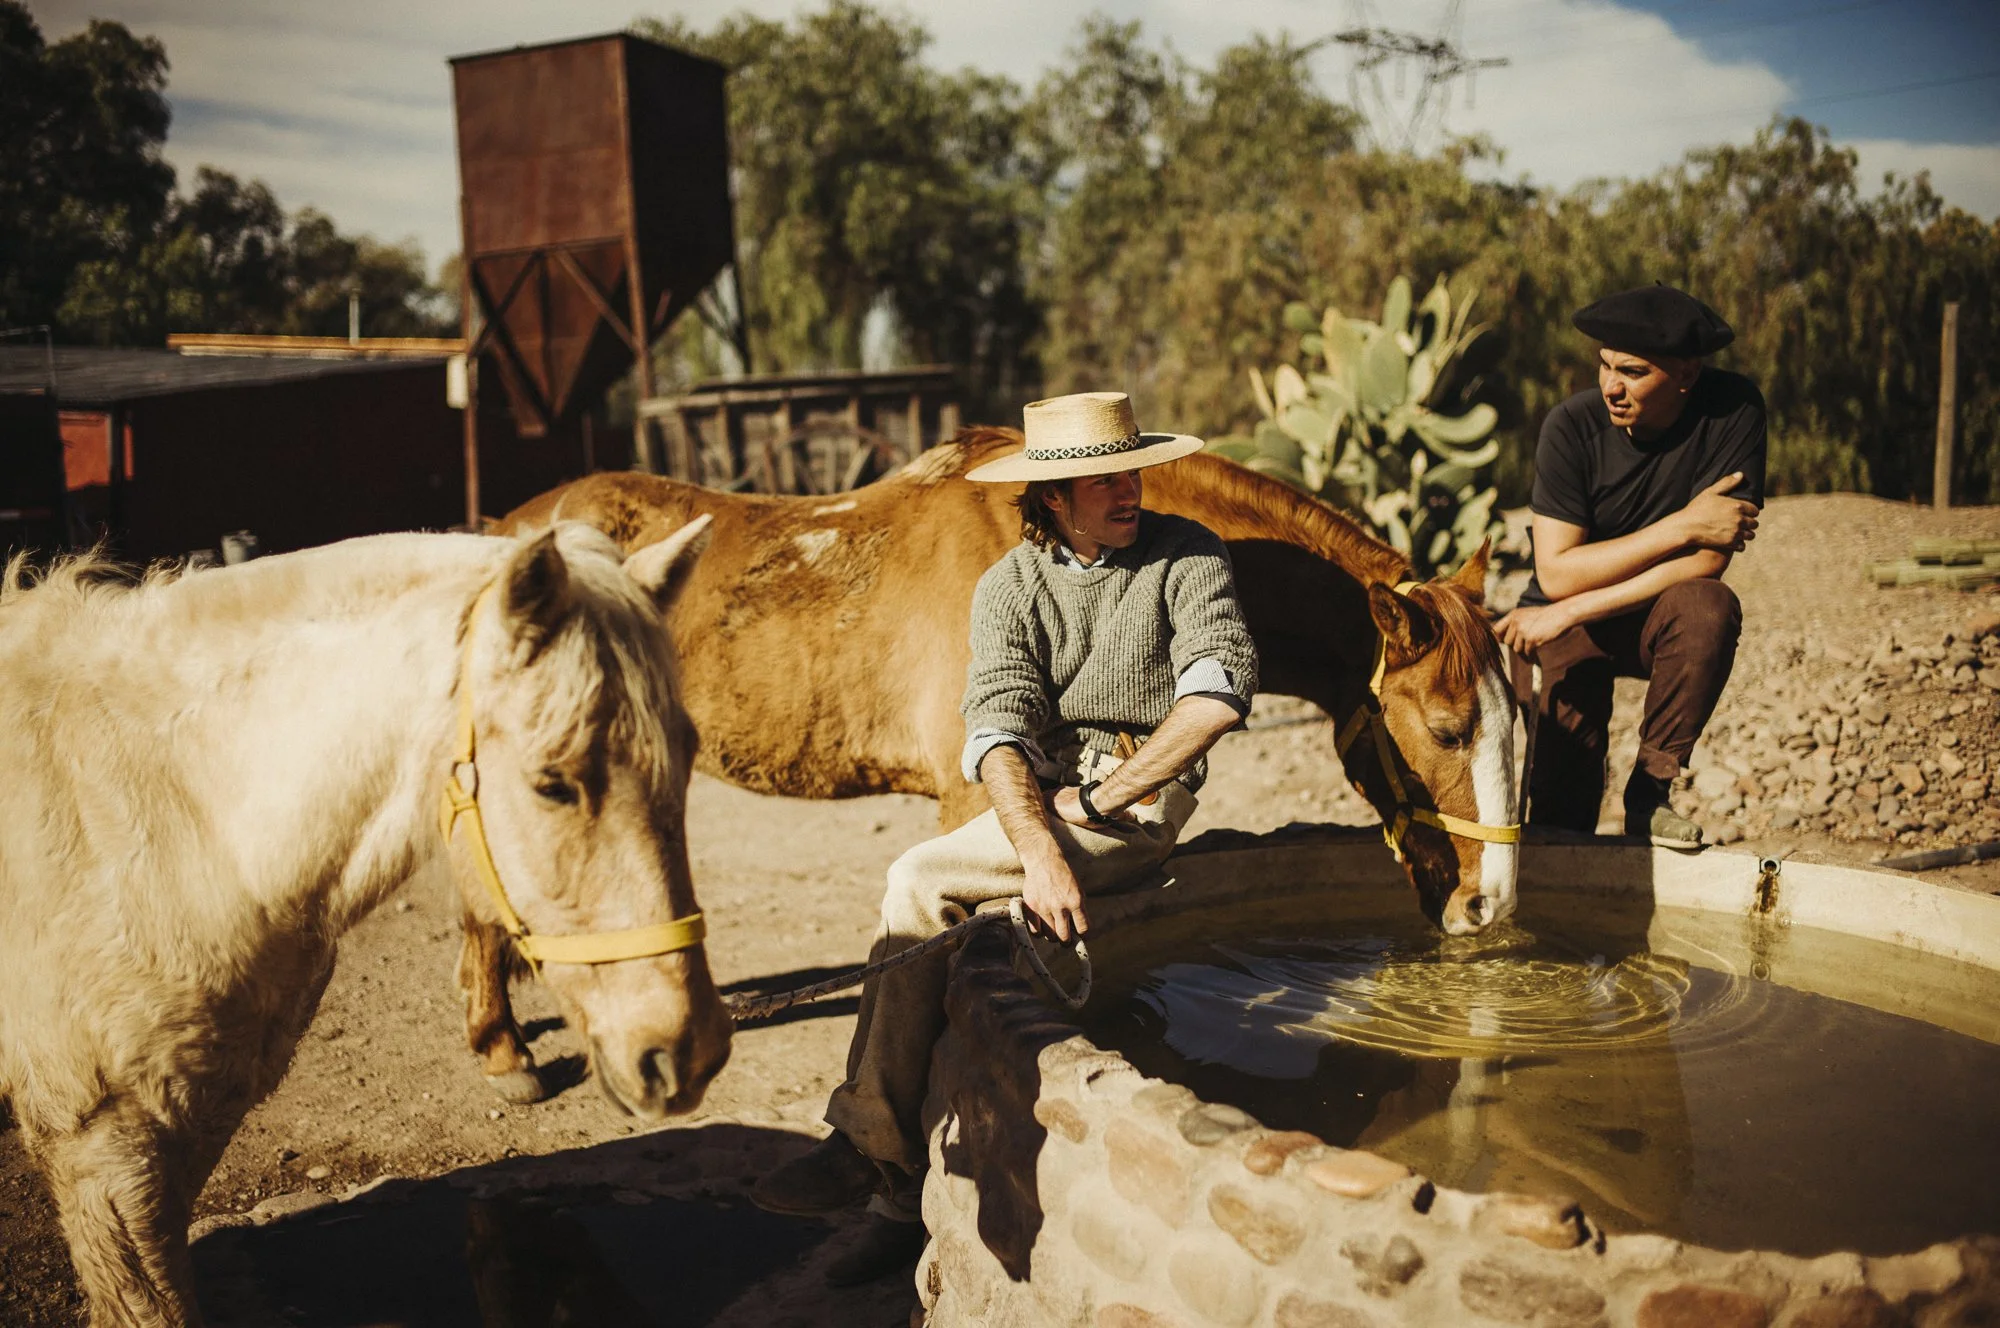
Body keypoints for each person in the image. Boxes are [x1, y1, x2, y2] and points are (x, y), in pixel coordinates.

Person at [750, 391, 1259, 1283]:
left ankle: (870, 1146)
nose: (1126, 489)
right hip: (1049, 803)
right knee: (954, 918)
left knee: (917, 881)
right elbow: (992, 731)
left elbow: (1215, 695)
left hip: (1137, 806)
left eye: (1129, 468)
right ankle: (899, 1183)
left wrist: (1104, 803)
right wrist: (1038, 848)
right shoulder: (1008, 587)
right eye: (1101, 479)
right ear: (1052, 498)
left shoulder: (1189, 557)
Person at [1495, 284, 1765, 848]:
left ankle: (1650, 795)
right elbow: (1558, 575)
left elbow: (1707, 564)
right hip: (1555, 620)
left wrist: (1573, 605)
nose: (1611, 387)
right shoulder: (1570, 428)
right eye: (1605, 367)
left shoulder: (1733, 410)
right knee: (1561, 816)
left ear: (1686, 372)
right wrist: (1684, 524)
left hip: (1645, 611)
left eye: (1634, 373)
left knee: (1708, 609)